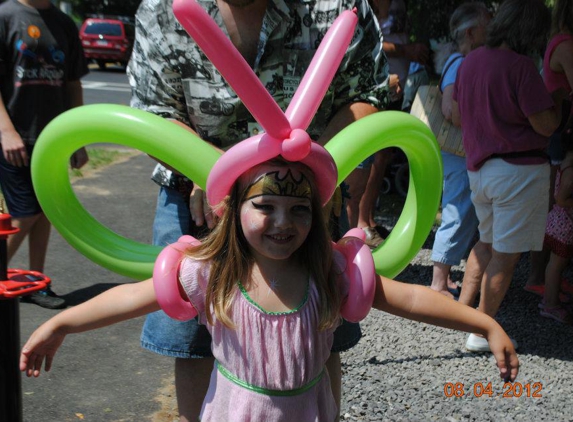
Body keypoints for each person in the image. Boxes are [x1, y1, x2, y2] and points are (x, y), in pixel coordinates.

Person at [20, 156, 519, 421]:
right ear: (232, 210)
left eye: (299, 210)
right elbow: (131, 297)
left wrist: (484, 321)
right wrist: (62, 322)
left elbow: (410, 298)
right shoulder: (210, 273)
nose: (283, 222)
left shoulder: (331, 271)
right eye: (266, 207)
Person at [126, 0, 390, 420]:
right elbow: (152, 111)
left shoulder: (338, 4)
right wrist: (213, 172)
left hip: (305, 199)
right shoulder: (162, 8)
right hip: (194, 193)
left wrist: (315, 174)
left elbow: (369, 94)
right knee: (194, 341)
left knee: (318, 330)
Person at [452, 0, 563, 352]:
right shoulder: (521, 67)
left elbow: (456, 114)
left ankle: (458, 316)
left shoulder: (469, 63)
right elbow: (545, 124)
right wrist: (558, 103)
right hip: (518, 170)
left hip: (479, 170)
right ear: (531, 30)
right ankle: (483, 331)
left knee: (485, 244)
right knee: (506, 254)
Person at [0, 0, 89, 309]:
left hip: (52, 139)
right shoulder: (6, 15)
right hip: (14, 137)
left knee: (45, 212)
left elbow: (72, 82)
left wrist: (76, 139)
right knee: (25, 213)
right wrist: (5, 131)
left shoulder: (63, 23)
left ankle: (34, 282)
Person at [353, 0, 429, 249]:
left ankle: (369, 220)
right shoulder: (361, 5)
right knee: (367, 157)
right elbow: (363, 41)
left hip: (393, 91)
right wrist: (404, 51)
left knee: (383, 156)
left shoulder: (397, 6)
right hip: (373, 90)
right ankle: (360, 224)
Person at [429, 3, 490, 299]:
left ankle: (445, 277)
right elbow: (451, 111)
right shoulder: (459, 62)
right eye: (486, 24)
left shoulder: (459, 61)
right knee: (457, 210)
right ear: (471, 31)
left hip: (460, 151)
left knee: (461, 210)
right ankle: (438, 283)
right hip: (459, 151)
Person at [525, 0, 573, 301]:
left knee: (551, 208)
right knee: (553, 209)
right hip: (562, 135)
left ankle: (544, 276)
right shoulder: (566, 44)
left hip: (559, 132)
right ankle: (540, 278)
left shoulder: (560, 41)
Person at [541, 128, 573, 324]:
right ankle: (550, 304)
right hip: (564, 224)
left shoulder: (567, 162)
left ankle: (550, 298)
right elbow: (561, 199)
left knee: (555, 264)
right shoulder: (571, 170)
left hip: (560, 223)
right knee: (556, 266)